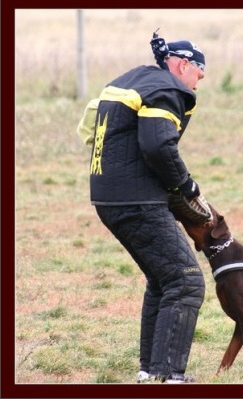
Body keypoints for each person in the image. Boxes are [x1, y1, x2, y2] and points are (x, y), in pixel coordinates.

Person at [76, 31, 207, 383]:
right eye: (199, 71)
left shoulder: (130, 80)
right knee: (186, 281)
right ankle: (168, 378)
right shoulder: (167, 89)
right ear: (182, 65)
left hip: (108, 195)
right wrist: (186, 184)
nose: (200, 80)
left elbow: (88, 130)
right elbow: (156, 145)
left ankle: (151, 374)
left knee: (163, 280)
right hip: (136, 200)